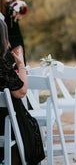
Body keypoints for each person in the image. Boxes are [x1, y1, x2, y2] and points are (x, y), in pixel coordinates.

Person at [0, 14, 44, 164]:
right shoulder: (2, 65)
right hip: (4, 126)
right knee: (30, 126)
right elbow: (21, 91)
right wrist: (20, 65)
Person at [0, 0, 26, 64]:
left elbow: (18, 17)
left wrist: (20, 14)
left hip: (16, 32)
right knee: (10, 62)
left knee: (21, 60)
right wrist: (5, 40)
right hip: (4, 33)